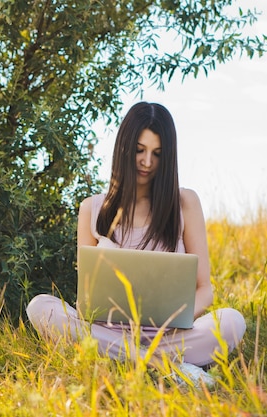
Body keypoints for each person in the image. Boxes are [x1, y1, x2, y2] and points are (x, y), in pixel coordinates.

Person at [26, 102, 246, 387]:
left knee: (231, 321)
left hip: (167, 334)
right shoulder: (91, 209)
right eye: (140, 150)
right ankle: (171, 367)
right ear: (124, 149)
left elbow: (204, 289)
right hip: (108, 331)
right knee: (40, 307)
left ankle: (124, 359)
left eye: (157, 154)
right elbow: (85, 298)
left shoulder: (185, 203)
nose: (146, 162)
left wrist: (171, 321)